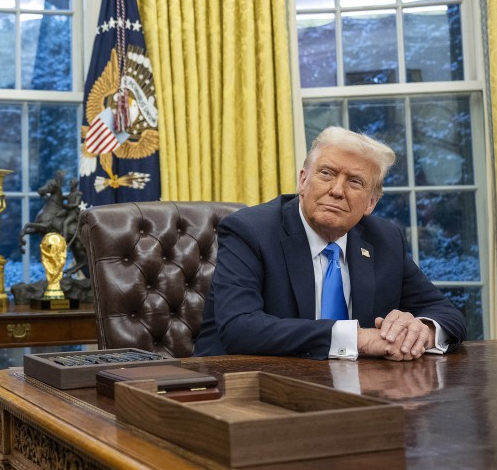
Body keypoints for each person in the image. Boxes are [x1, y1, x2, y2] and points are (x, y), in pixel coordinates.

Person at [195, 126, 466, 361]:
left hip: (355, 391)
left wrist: (421, 331)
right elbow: (240, 328)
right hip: (243, 389)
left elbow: (447, 313)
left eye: (355, 182)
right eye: (326, 173)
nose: (337, 190)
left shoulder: (384, 239)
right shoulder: (250, 230)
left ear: (371, 202)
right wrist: (358, 339)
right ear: (303, 180)